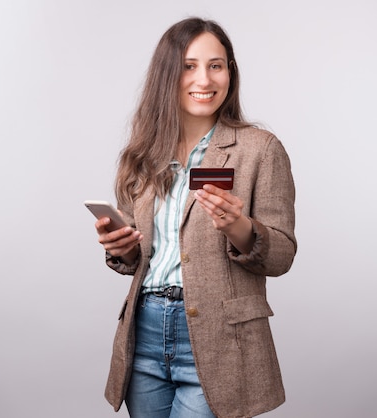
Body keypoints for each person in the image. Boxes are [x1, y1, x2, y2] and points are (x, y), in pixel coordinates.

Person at [92, 17, 297, 418]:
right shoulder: (144, 154)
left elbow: (282, 255)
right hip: (145, 331)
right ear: (168, 74)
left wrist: (238, 228)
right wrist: (123, 249)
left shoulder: (260, 149)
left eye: (216, 65)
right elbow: (141, 251)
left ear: (230, 73)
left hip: (220, 339)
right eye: (189, 65)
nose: (204, 78)